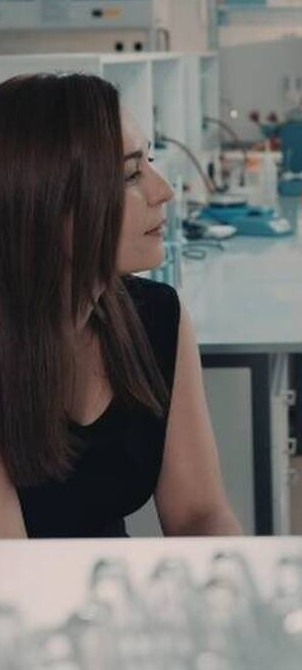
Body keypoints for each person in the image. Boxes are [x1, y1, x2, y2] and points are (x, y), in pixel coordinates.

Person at [0, 73, 242, 537]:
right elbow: (13, 564)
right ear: (45, 203)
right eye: (131, 175)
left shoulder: (157, 317)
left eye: (149, 162)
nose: (163, 190)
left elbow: (199, 513)